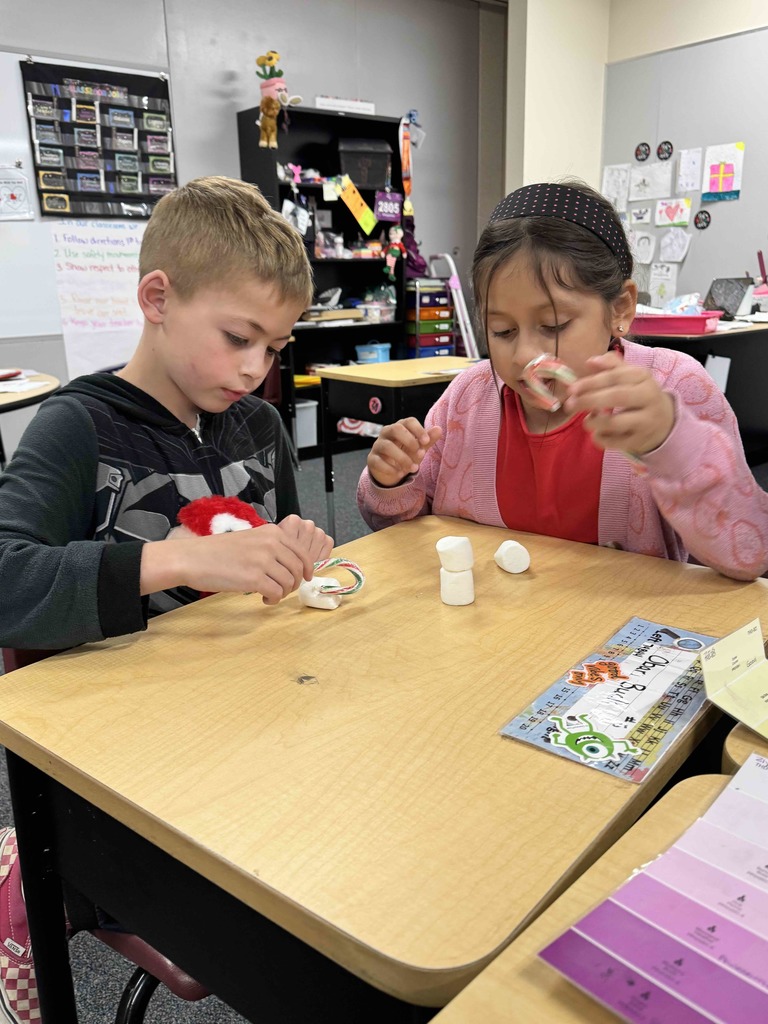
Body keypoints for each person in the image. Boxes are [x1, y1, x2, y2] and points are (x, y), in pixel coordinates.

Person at [0, 176, 333, 1014]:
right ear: (158, 298)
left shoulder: (255, 426)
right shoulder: (79, 428)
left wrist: (298, 549)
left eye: (276, 347)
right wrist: (170, 563)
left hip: (258, 731)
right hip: (132, 780)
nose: (258, 371)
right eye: (238, 338)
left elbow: (281, 543)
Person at [357, 180, 768, 581]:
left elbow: (751, 556)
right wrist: (391, 481)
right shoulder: (466, 398)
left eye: (554, 325)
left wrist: (670, 442)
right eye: (501, 331)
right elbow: (398, 528)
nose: (523, 356)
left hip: (619, 637)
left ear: (620, 308)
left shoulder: (674, 387)